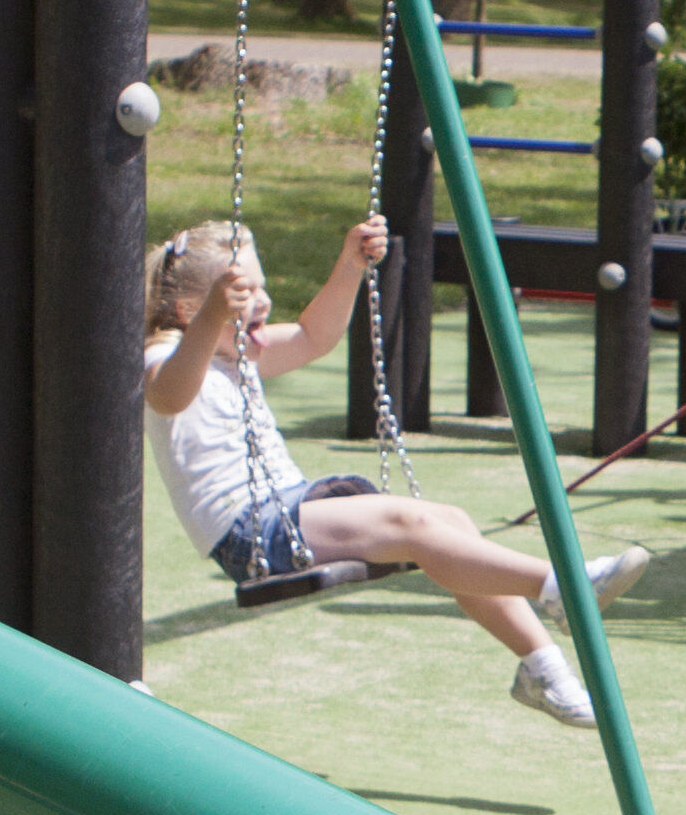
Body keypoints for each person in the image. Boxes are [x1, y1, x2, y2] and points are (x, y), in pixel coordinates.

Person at [141, 216, 646, 724]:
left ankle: (543, 669)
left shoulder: (240, 350)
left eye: (261, 287)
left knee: (450, 523)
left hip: (290, 505)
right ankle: (565, 588)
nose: (263, 302)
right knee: (416, 526)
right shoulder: (165, 358)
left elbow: (315, 335)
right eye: (242, 293)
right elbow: (169, 395)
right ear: (191, 310)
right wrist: (210, 320)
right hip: (251, 532)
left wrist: (350, 262)